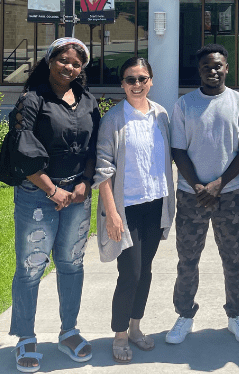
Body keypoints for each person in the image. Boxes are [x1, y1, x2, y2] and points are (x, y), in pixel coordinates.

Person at [0, 38, 100, 373]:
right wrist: (52, 190)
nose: (69, 67)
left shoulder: (87, 100)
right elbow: (21, 149)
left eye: (76, 63)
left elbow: (93, 148)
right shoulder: (33, 99)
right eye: (63, 60)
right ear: (50, 60)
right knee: (31, 266)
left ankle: (68, 331)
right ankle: (25, 336)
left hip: (77, 195)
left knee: (72, 263)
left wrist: (85, 183)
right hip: (37, 194)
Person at [166, 44, 239, 345]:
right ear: (200, 70)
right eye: (207, 67)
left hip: (230, 194)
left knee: (232, 257)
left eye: (218, 66)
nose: (213, 71)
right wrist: (197, 186)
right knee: (187, 258)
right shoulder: (184, 105)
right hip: (191, 195)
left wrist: (218, 183)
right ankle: (184, 315)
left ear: (227, 67)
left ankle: (235, 315)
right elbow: (178, 150)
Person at [93, 57, 175, 363]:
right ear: (122, 84)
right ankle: (120, 334)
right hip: (126, 209)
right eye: (130, 80)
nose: (137, 85)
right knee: (130, 273)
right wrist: (112, 214)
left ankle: (136, 327)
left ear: (151, 81)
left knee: (146, 272)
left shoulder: (161, 115)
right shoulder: (114, 119)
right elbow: (103, 170)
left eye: (142, 78)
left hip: (155, 205)